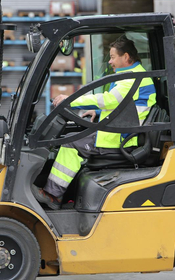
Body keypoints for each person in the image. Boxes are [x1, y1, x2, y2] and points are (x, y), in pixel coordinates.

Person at [32, 35, 157, 210]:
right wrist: (97, 111)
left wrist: (70, 100)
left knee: (70, 143)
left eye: (113, 57)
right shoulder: (133, 76)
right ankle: (60, 192)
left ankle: (52, 196)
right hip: (119, 131)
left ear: (126, 57)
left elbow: (109, 100)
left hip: (120, 137)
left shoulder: (133, 78)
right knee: (70, 136)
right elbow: (122, 105)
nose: (110, 62)